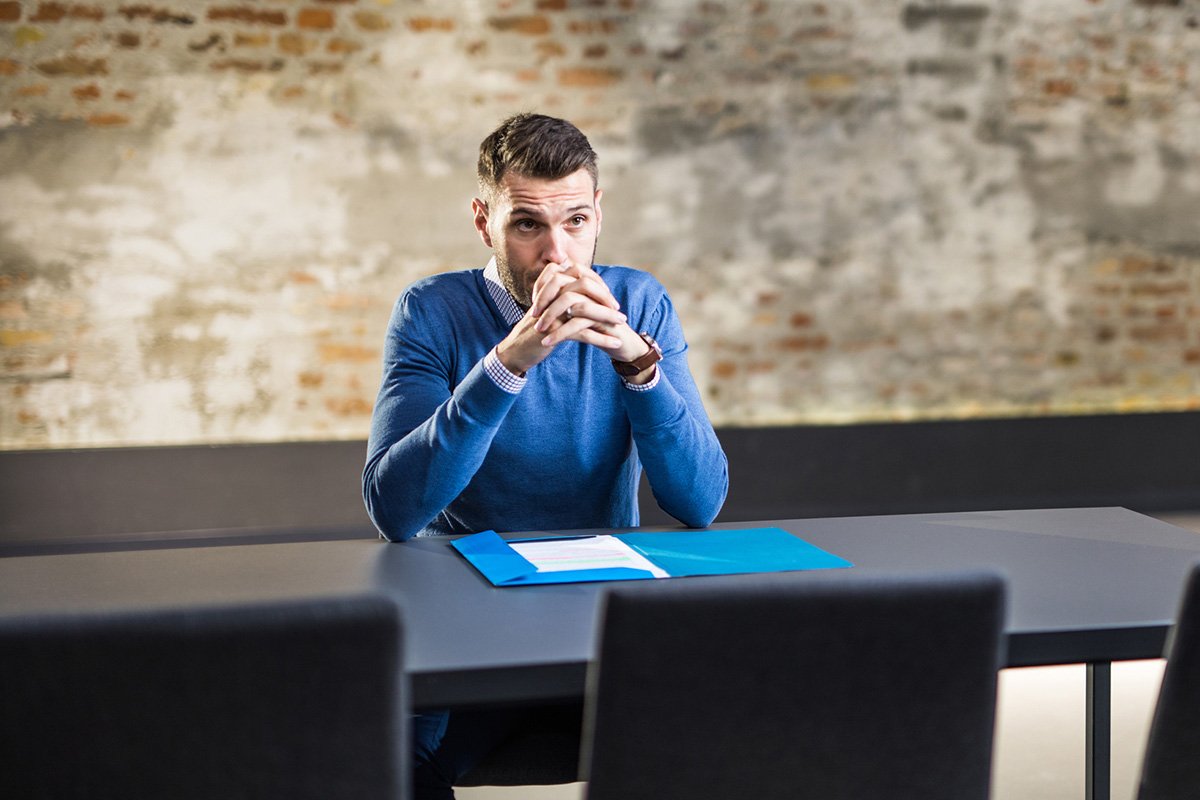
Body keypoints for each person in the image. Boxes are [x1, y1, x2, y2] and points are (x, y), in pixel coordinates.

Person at [362, 112, 729, 798]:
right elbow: (395, 510)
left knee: (724, 738)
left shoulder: (641, 302)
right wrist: (508, 362)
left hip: (603, 621)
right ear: (483, 221)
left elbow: (700, 502)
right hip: (466, 623)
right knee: (388, 767)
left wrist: (637, 366)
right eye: (528, 224)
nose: (558, 254)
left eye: (577, 223)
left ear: (598, 215)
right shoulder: (430, 312)